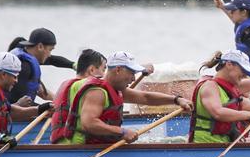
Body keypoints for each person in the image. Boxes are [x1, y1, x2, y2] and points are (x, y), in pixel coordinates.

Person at [55, 51, 193, 145]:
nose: (133, 78)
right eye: (131, 73)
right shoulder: (97, 92)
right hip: (81, 148)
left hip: (98, 146)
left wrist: (176, 100)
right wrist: (122, 132)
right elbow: (89, 123)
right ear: (118, 69)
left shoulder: (115, 89)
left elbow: (145, 97)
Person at [48, 49, 107, 144]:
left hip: (59, 142)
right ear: (92, 70)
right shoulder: (83, 85)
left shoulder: (64, 84)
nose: (104, 74)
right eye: (103, 69)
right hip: (75, 142)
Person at [8, 27, 75, 103]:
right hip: (12, 109)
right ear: (40, 47)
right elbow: (16, 101)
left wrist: (74, 65)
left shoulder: (27, 54)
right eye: (50, 50)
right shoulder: (24, 67)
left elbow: (53, 60)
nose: (49, 54)